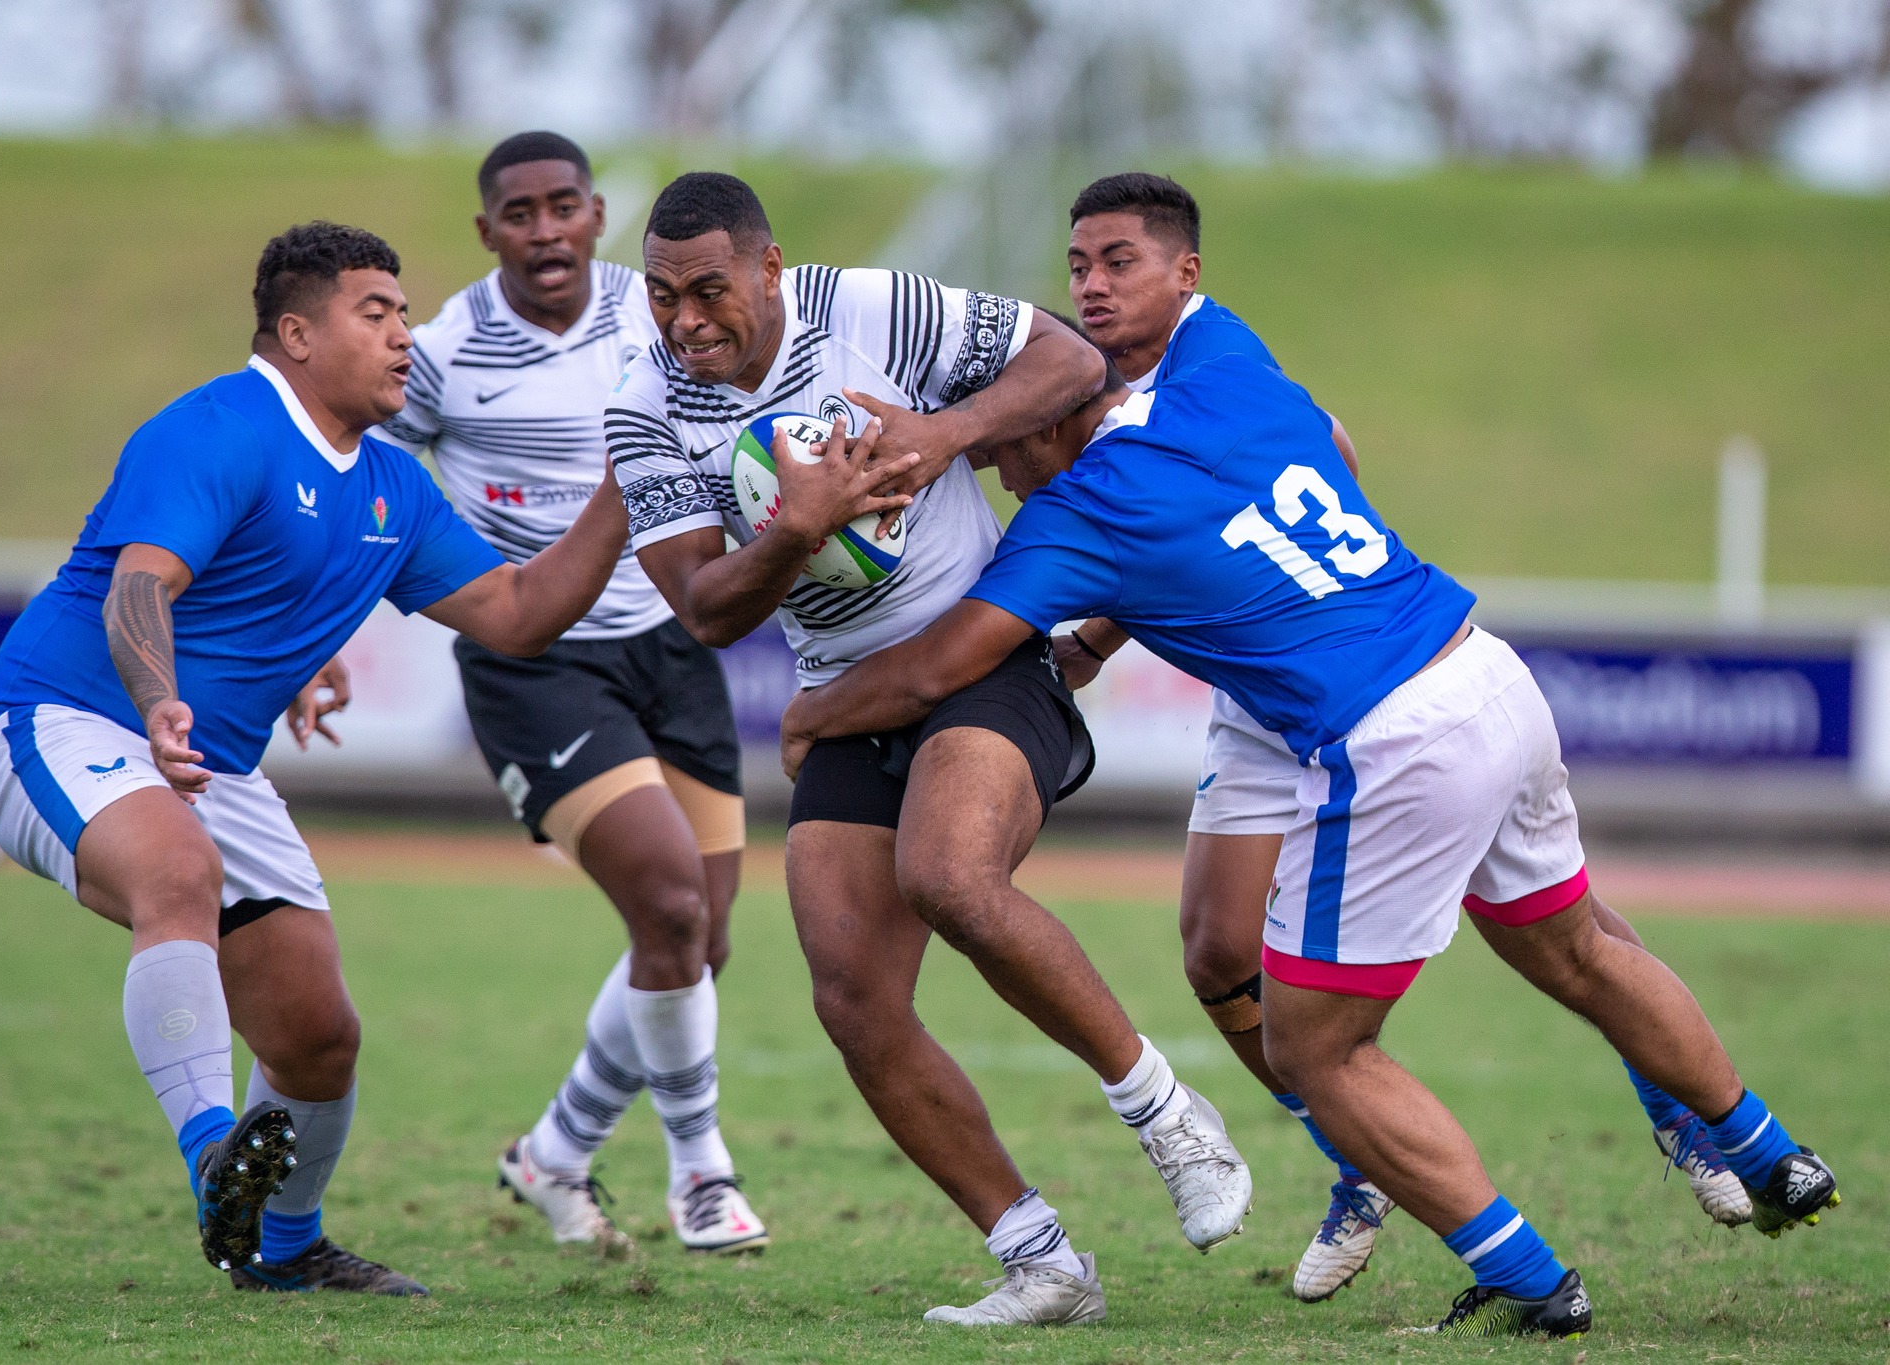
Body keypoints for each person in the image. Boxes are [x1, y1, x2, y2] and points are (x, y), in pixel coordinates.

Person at [778, 352, 1839, 1338]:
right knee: (1226, 950)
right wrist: (1135, 620)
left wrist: (811, 715)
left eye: (999, 448)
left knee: (1316, 1045)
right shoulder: (1216, 358)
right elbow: (1323, 442)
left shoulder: (1083, 499)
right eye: (1079, 267)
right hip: (1446, 663)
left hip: (1363, 714)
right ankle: (1755, 1149)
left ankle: (1531, 1266)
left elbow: (936, 668)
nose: (996, 472)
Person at [1056, 171, 1754, 1300]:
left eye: (1113, 262)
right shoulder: (1084, 385)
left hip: (1363, 675)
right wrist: (1098, 635)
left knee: (1533, 911)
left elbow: (1314, 442)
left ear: (1179, 271)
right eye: (1078, 267)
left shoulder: (1198, 354)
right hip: (1262, 700)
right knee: (1213, 952)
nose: (1090, 286)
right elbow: (1151, 543)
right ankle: (1357, 1161)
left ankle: (1677, 1102)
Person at [608, 172, 1251, 1328]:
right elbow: (704, 608)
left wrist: (936, 432)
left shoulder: (870, 309)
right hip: (844, 692)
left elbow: (1065, 361)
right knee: (851, 995)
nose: (685, 319)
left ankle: (1167, 1117)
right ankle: (1040, 1260)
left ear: (769, 269)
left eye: (709, 290)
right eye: (660, 296)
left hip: (987, 656)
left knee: (948, 876)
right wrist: (796, 528)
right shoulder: (639, 404)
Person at [0, 221, 629, 1294]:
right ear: (296, 333)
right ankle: (211, 1152)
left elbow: (515, 615)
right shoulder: (219, 426)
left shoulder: (394, 484)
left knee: (318, 1037)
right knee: (179, 873)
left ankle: (283, 1250)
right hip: (67, 722)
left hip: (208, 769)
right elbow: (142, 586)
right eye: (375, 314)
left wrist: (624, 487)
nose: (404, 337)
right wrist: (161, 701)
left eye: (406, 315)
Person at [370, 131, 762, 1256]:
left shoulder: (666, 316)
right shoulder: (442, 357)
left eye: (562, 207)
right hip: (533, 662)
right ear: (488, 230)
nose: (543, 230)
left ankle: (553, 1154)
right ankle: (702, 1175)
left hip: (670, 643)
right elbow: (359, 483)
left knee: (699, 941)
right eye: (518, 213)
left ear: (596, 215)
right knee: (671, 907)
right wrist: (321, 638)